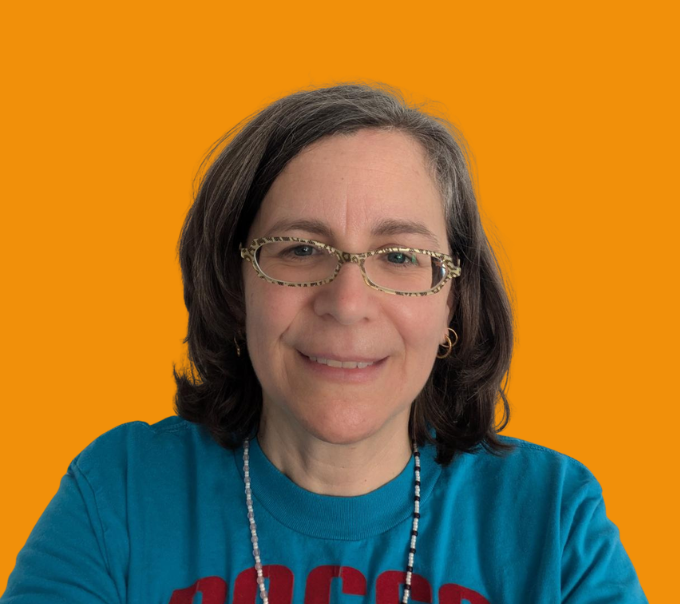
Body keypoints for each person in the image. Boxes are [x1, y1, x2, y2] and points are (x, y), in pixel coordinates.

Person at [2, 83, 647, 603]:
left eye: (399, 255)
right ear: (235, 285)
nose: (346, 302)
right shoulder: (118, 496)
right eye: (300, 249)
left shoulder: (554, 522)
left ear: (452, 299)